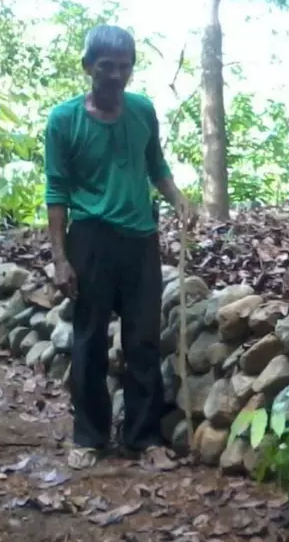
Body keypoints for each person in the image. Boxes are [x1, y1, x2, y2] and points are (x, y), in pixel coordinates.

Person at [45, 25, 197, 470]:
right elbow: (56, 192)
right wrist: (60, 259)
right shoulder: (64, 120)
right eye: (105, 66)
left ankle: (144, 438)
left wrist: (177, 197)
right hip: (90, 239)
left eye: (124, 66)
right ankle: (89, 437)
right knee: (90, 339)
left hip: (140, 238)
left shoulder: (142, 111)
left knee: (143, 338)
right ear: (88, 67)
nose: (115, 75)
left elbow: (156, 165)